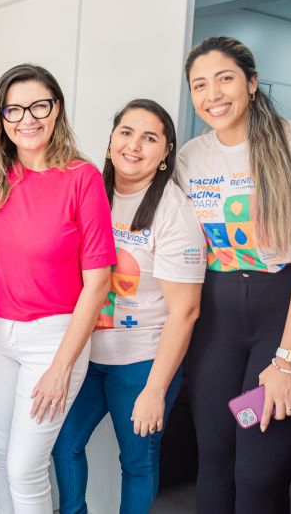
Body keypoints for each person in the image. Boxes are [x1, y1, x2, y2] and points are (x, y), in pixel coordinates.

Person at [177, 36, 291, 514]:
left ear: (252, 83)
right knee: (216, 463)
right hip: (219, 325)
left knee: (257, 474)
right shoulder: (190, 156)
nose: (212, 94)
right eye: (199, 85)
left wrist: (287, 362)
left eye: (225, 79)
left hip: (286, 319)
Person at [0, 64, 116, 513]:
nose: (27, 119)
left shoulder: (82, 178)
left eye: (39, 106)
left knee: (24, 467)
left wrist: (61, 367)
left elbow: (98, 284)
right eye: (14, 109)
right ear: (1, 117)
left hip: (52, 339)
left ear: (57, 110)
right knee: (0, 455)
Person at [52, 99, 207, 514]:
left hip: (141, 362)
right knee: (64, 444)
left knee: (137, 462)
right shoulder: (90, 191)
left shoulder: (174, 211)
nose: (134, 145)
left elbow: (186, 311)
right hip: (87, 354)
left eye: (149, 138)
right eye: (126, 132)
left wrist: (155, 389)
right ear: (110, 142)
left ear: (165, 153)